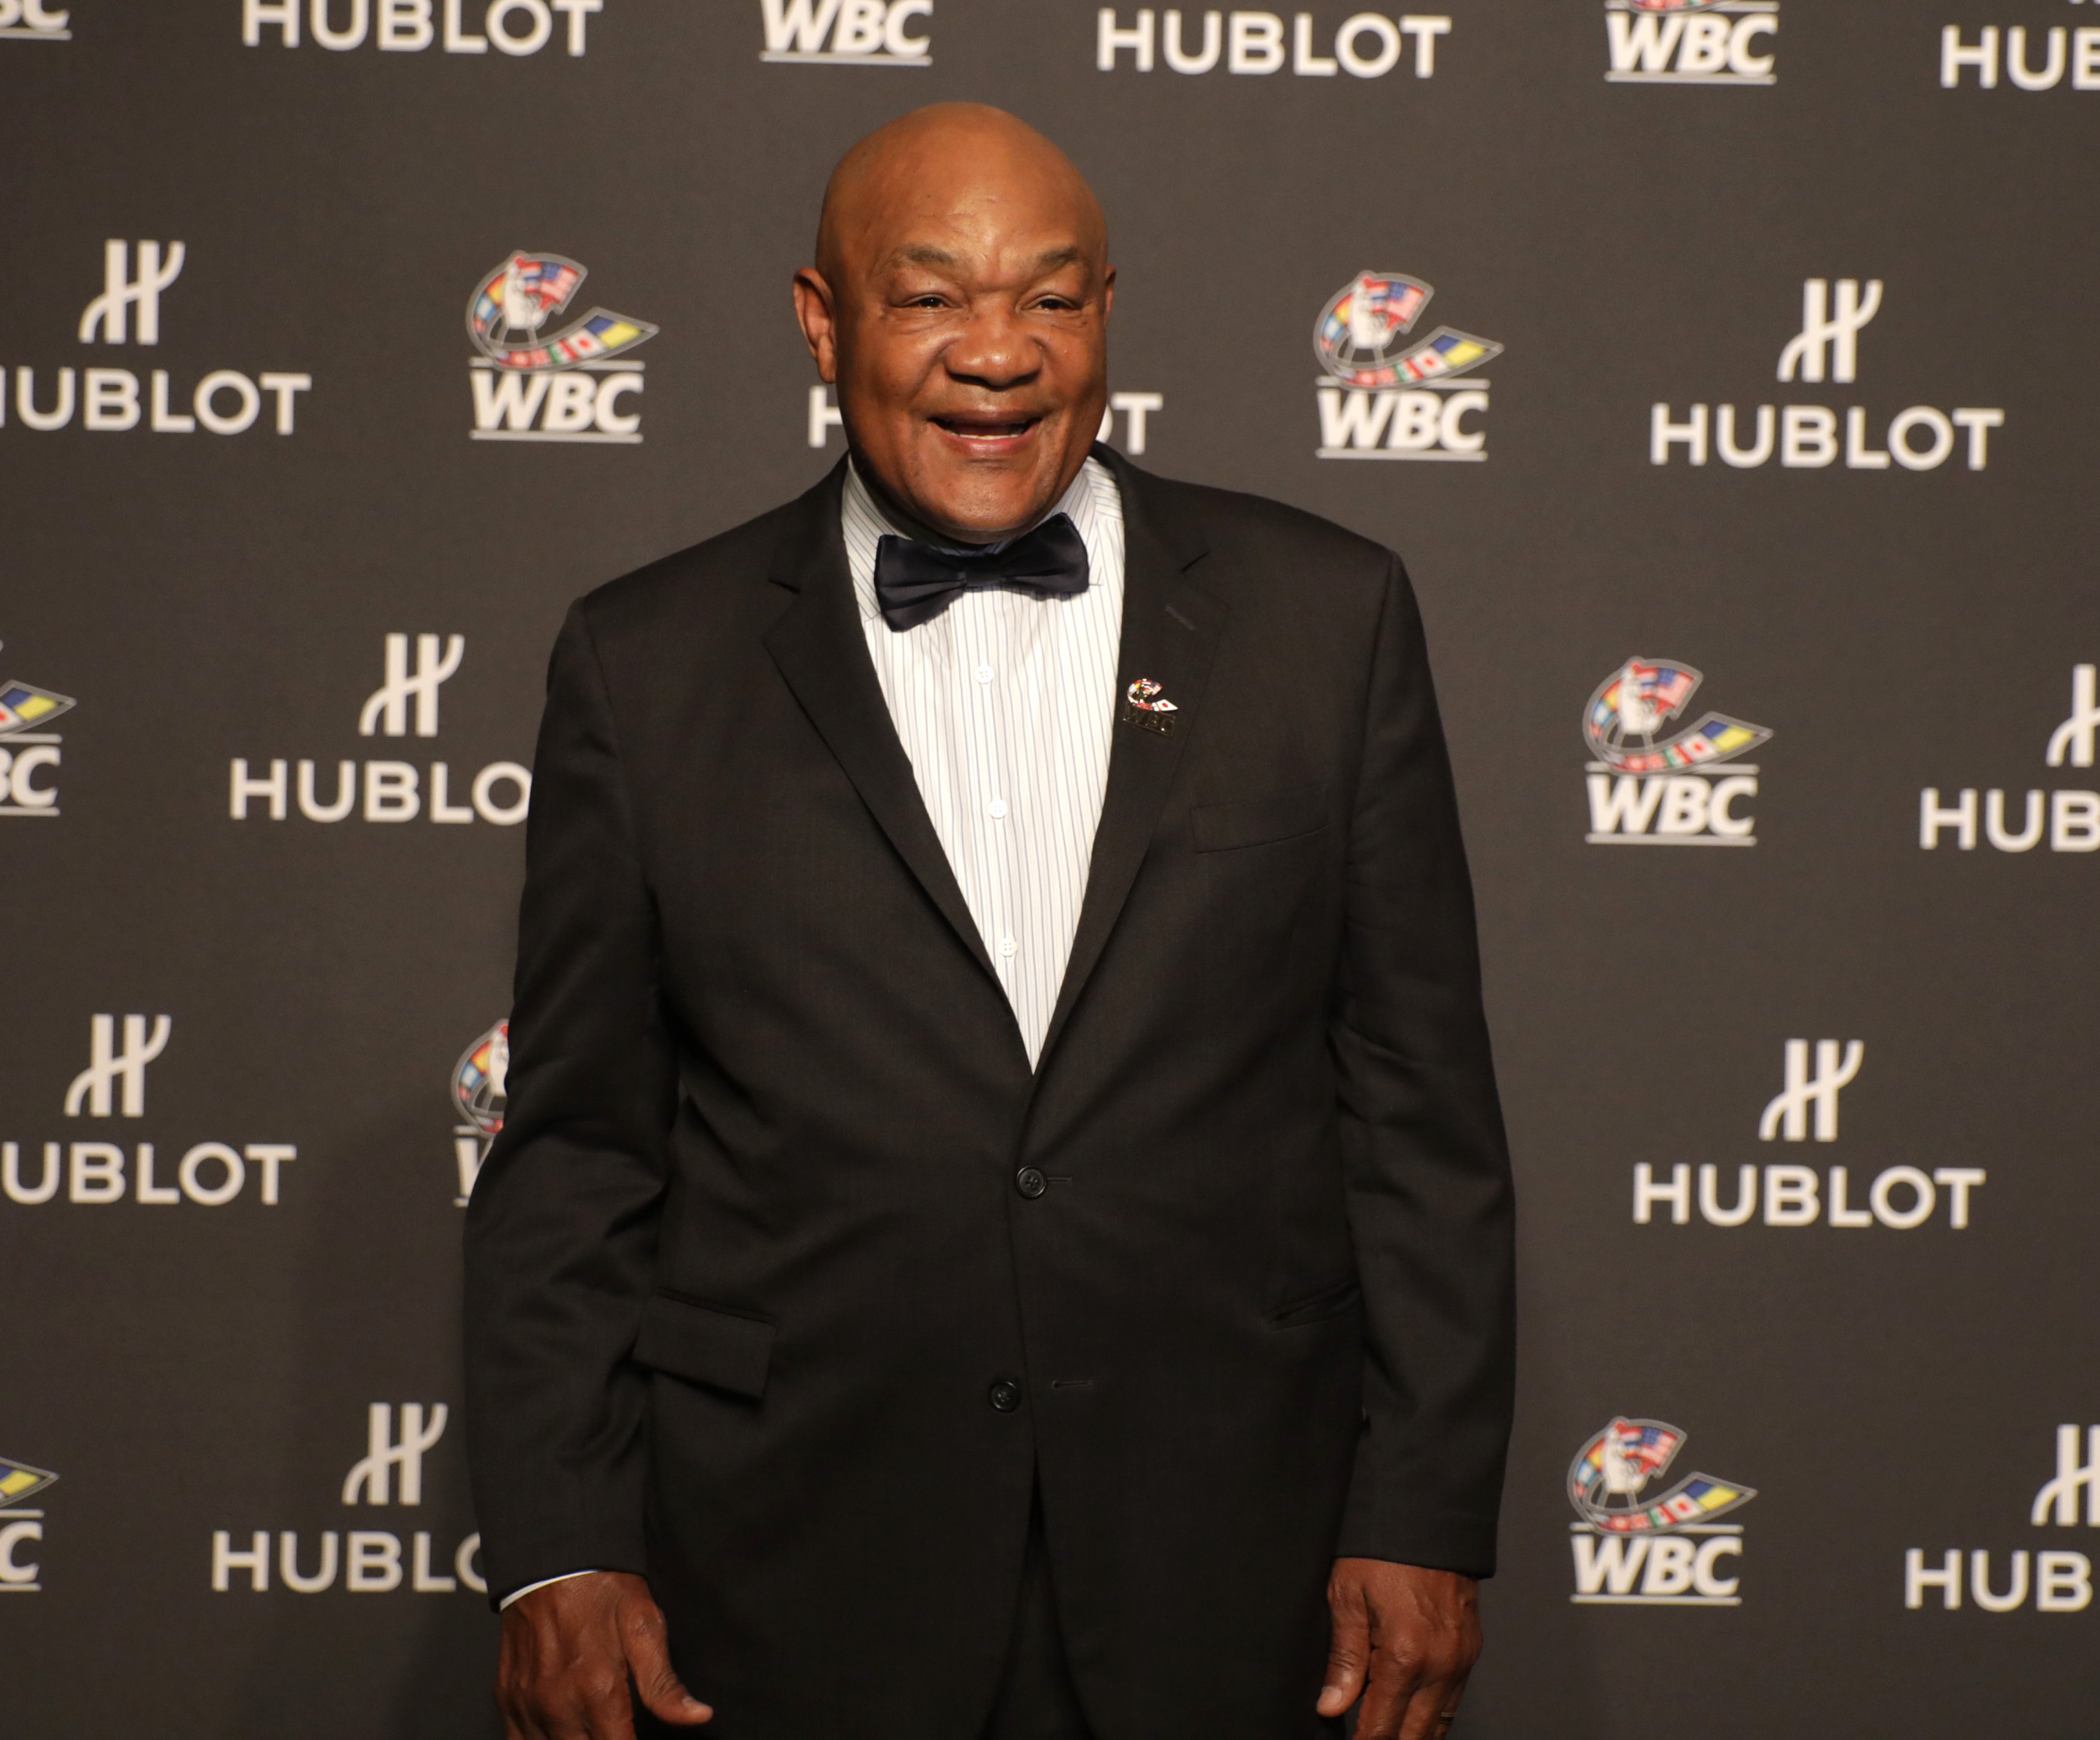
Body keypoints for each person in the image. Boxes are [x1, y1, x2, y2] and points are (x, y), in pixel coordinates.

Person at [465, 103, 1516, 1740]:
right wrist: (555, 1552)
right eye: (930, 295)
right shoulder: (644, 662)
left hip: (1241, 1570)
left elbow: (1418, 1118)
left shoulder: (1330, 619)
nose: (996, 353)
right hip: (788, 1575)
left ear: (1108, 312)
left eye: (1050, 296)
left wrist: (1425, 1512)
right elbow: (580, 1157)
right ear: (822, 321)